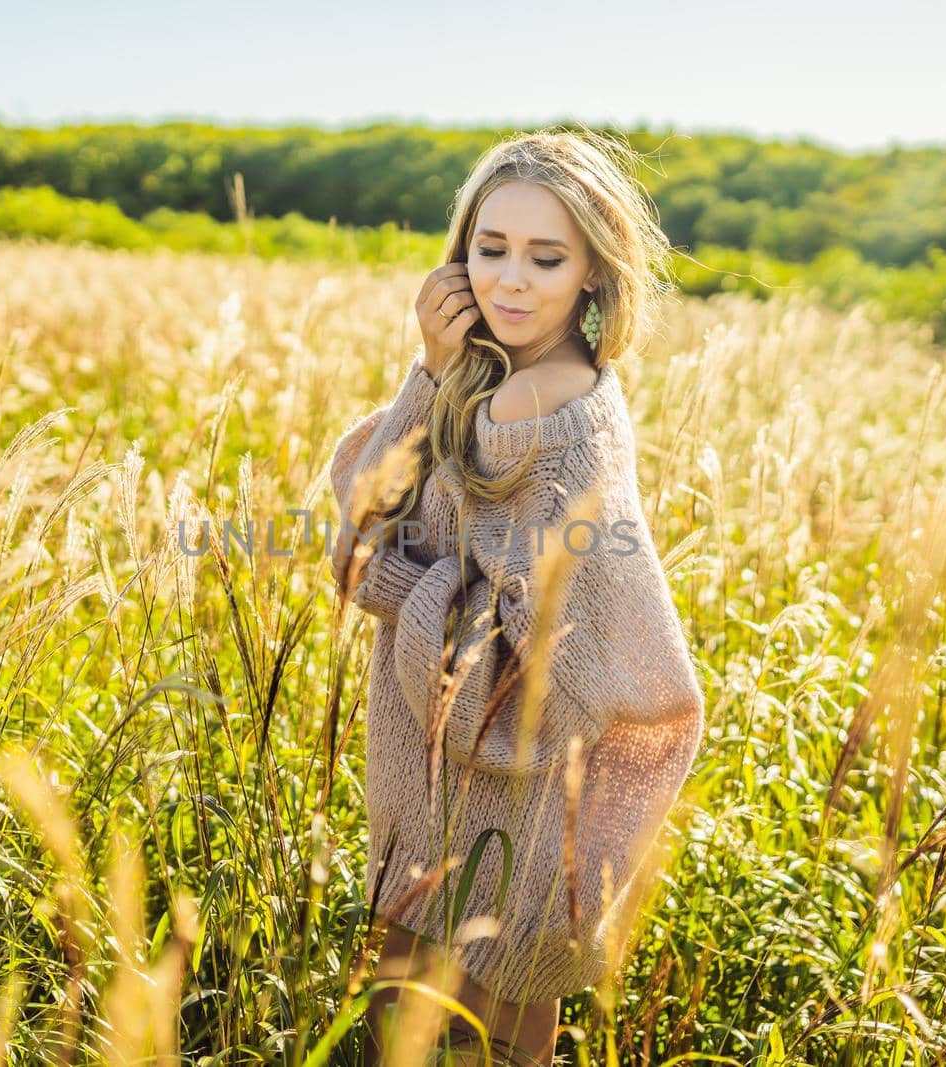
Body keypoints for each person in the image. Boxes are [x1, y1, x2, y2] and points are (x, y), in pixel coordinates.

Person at [326, 127, 706, 1066]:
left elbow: (556, 665)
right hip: (440, 779)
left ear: (593, 275)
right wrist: (430, 367)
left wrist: (391, 584)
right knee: (417, 1019)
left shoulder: (553, 418)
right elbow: (373, 514)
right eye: (490, 248)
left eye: (546, 257)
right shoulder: (494, 374)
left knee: (469, 1030)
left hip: (506, 799)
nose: (511, 280)